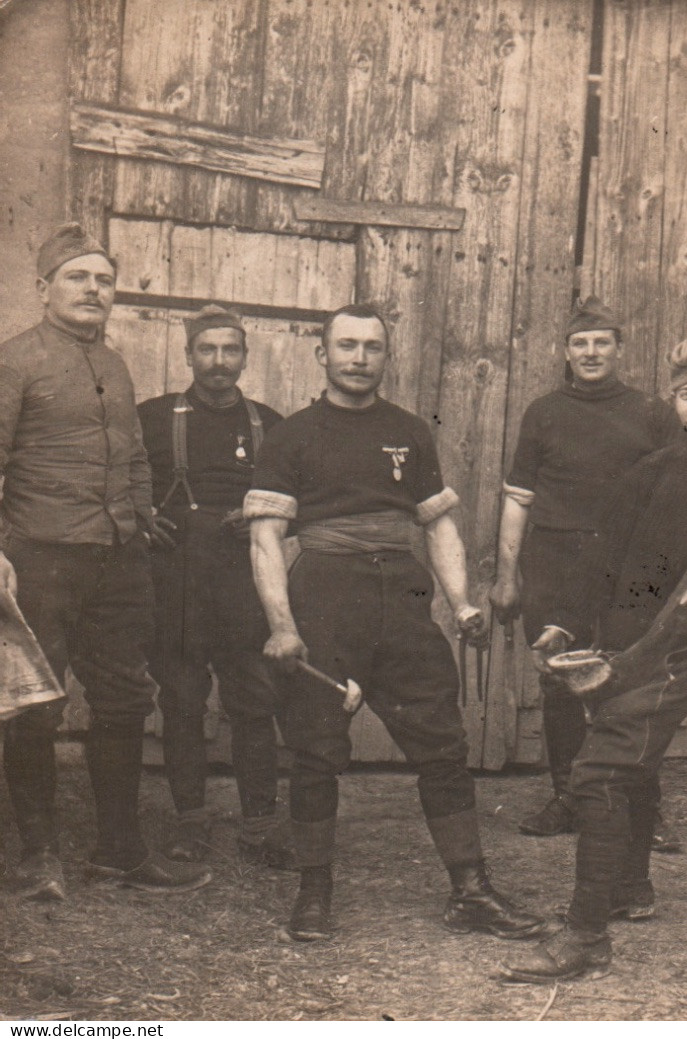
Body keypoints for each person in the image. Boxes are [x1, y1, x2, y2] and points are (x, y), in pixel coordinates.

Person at [501, 337, 687, 982]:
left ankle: (584, 938)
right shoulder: (652, 470)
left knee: (601, 774)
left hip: (680, 651)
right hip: (618, 644)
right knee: (630, 768)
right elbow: (601, 556)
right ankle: (630, 887)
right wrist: (562, 624)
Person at [244, 303, 542, 942]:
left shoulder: (409, 430)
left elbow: (437, 523)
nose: (358, 359)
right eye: (345, 346)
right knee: (317, 752)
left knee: (442, 744)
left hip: (402, 602)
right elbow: (266, 538)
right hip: (324, 598)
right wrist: (282, 625)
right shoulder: (292, 436)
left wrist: (460, 602)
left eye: (371, 347)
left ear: (385, 356)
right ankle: (314, 891)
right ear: (322, 355)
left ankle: (471, 890)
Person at [0, 222, 211, 899]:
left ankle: (120, 849)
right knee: (36, 705)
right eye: (77, 277)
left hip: (119, 562)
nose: (93, 290)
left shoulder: (115, 364)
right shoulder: (16, 360)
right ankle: (38, 858)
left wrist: (142, 520)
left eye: (103, 279)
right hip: (42, 556)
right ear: (44, 289)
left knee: (124, 697)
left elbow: (138, 458)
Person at [488, 298, 680, 845]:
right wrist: (507, 576)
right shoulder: (544, 412)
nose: (591, 353)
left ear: (619, 349)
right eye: (580, 343)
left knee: (634, 681)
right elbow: (518, 497)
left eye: (602, 342)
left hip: (628, 567)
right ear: (566, 352)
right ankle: (568, 798)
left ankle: (644, 805)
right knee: (561, 683)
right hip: (553, 560)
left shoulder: (652, 413)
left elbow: (676, 494)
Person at [137, 304, 293, 868]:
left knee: (254, 700)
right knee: (181, 701)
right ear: (189, 356)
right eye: (208, 349)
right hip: (176, 579)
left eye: (231, 350)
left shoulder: (271, 424)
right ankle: (191, 822)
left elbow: (299, 501)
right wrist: (140, 515)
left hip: (246, 579)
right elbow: (120, 481)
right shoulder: (152, 418)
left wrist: (268, 521)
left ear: (245, 357)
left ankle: (259, 825)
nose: (219, 361)